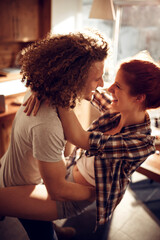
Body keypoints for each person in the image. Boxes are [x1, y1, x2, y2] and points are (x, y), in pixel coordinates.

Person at [0, 59, 160, 230]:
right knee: (31, 213)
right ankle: (58, 231)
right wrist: (42, 87)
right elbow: (86, 88)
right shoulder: (117, 112)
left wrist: (57, 95)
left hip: (71, 198)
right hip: (68, 171)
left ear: (139, 98)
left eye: (118, 86)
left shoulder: (140, 143)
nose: (109, 88)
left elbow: (80, 138)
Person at [0, 30, 109, 240]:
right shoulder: (47, 125)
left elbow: (78, 135)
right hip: (21, 188)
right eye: (97, 78)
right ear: (73, 77)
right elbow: (57, 190)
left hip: (17, 169)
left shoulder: (41, 87)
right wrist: (97, 193)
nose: (102, 84)